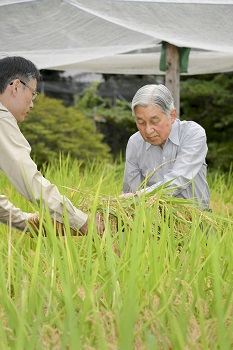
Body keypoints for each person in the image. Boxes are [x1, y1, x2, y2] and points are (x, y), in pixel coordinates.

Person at [0, 56, 99, 235]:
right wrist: (82, 221)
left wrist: (26, 222)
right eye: (32, 94)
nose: (32, 105)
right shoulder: (1, 118)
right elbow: (29, 180)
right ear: (15, 87)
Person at [122, 84, 210, 210]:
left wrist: (138, 196)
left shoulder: (193, 133)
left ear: (172, 115)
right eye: (140, 122)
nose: (148, 130)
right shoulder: (135, 143)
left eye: (154, 121)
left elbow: (178, 180)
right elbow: (131, 191)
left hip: (196, 219)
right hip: (152, 221)